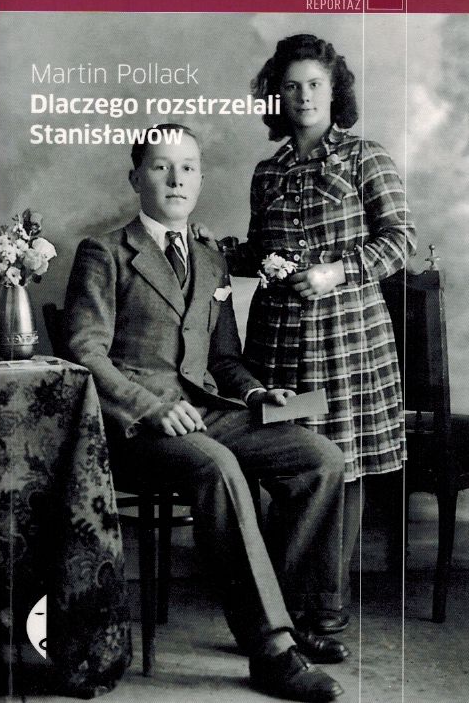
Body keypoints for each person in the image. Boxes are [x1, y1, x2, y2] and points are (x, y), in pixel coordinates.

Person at [64, 123, 349, 702]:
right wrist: (150, 408)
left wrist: (256, 396)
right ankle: (271, 649)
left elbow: (224, 359)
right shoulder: (104, 252)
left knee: (320, 458)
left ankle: (289, 613)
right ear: (136, 178)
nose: (177, 179)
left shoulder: (210, 258)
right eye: (161, 166)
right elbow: (84, 351)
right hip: (135, 426)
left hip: (205, 410)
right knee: (217, 466)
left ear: (199, 180)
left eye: (188, 168)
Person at [196, 34, 417, 633]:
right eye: (291, 86)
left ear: (334, 90)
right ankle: (285, 602)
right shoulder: (267, 173)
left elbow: (400, 241)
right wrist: (218, 251)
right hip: (277, 343)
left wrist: (335, 272)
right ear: (277, 96)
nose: (304, 96)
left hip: (346, 342)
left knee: (343, 464)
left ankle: (326, 606)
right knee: (293, 460)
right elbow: (261, 253)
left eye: (315, 84)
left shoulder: (365, 157)